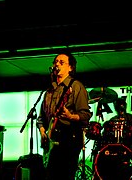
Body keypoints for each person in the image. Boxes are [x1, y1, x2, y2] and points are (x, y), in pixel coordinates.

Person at [37, 51, 92, 180]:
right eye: (55, 62)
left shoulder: (76, 86)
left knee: (65, 175)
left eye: (61, 62)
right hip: (52, 141)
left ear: (70, 67)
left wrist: (70, 116)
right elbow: (41, 118)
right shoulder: (48, 91)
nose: (57, 64)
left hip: (70, 139)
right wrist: (43, 131)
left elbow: (85, 114)